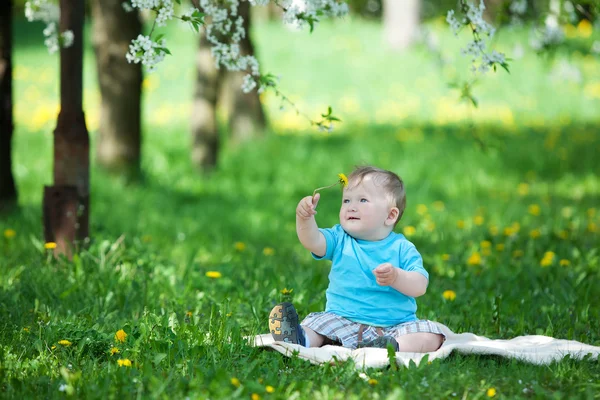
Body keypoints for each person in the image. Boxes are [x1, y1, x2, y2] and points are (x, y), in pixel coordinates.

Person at [268, 165, 445, 352]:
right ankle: (300, 338)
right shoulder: (339, 238)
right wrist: (304, 219)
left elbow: (420, 286)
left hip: (394, 327)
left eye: (362, 200)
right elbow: (313, 241)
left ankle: (389, 348)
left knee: (430, 335)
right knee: (317, 325)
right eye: (346, 200)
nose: (351, 206)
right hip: (342, 319)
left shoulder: (402, 248)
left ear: (391, 215)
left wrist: (396, 277)